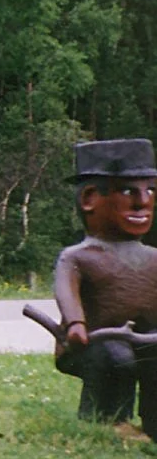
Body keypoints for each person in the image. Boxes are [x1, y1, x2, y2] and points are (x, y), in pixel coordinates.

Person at [52, 138, 157, 437]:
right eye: (128, 191)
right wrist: (75, 323)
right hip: (92, 342)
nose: (143, 201)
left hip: (146, 338)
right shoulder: (78, 257)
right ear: (89, 198)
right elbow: (67, 291)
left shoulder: (153, 258)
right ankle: (109, 421)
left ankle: (152, 424)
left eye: (150, 190)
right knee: (116, 357)